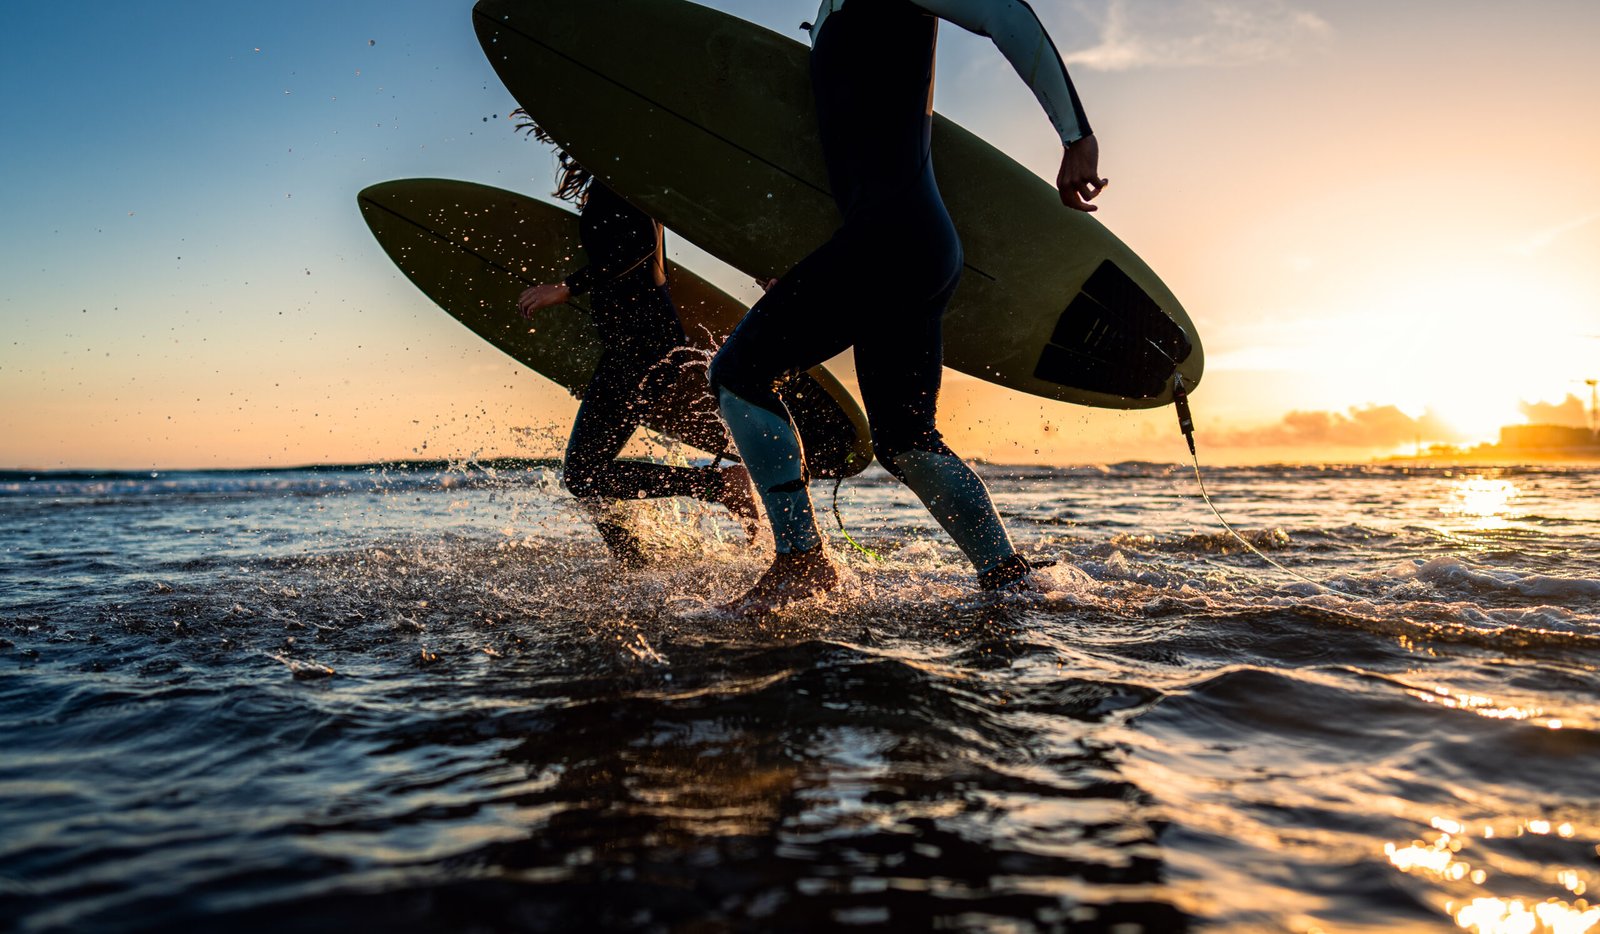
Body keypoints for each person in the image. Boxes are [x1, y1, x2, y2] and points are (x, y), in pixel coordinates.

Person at [709, 0, 1106, 609]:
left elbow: (1004, 13)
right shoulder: (834, 13)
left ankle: (800, 561)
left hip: (888, 240)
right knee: (905, 440)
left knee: (738, 373)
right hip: (909, 243)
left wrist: (1076, 137)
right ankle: (1010, 580)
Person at [514, 118, 760, 566]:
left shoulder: (623, 183)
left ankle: (719, 487)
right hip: (637, 345)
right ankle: (633, 562)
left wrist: (565, 287)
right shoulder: (616, 182)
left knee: (585, 473)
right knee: (590, 470)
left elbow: (637, 249)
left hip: (643, 345)